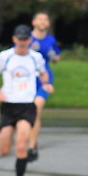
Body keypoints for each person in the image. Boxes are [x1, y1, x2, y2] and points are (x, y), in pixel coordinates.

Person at [0, 24, 52, 176]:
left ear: (30, 40)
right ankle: (10, 147)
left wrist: (46, 83)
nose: (23, 42)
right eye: (20, 39)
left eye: (26, 39)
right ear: (14, 39)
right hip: (8, 105)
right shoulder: (5, 56)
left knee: (22, 146)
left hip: (27, 105)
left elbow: (43, 74)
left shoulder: (36, 58)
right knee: (4, 150)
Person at [27, 11, 60, 161]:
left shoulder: (51, 40)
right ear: (34, 22)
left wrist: (54, 56)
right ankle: (25, 137)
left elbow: (56, 58)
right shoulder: (26, 38)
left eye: (45, 20)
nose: (42, 22)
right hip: (27, 80)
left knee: (37, 107)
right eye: (39, 19)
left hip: (44, 79)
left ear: (48, 23)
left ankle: (32, 146)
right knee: (26, 112)